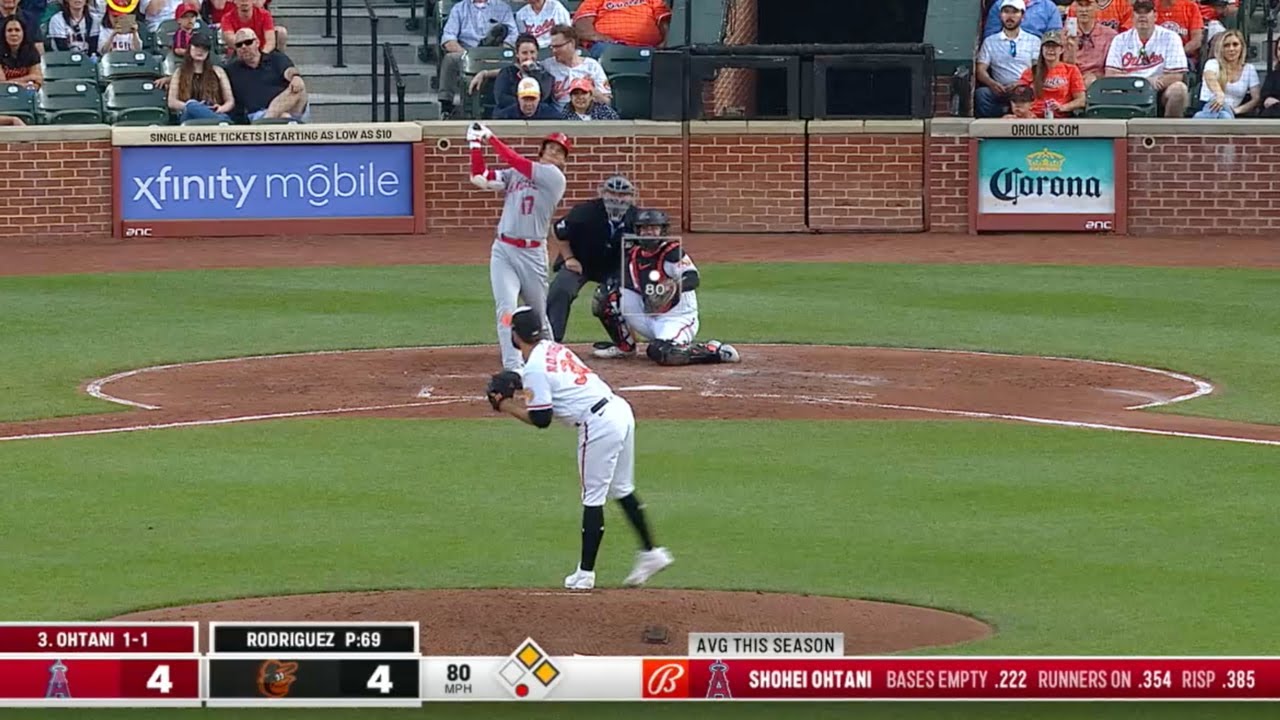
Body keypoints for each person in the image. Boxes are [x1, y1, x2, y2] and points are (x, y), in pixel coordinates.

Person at [488, 305, 674, 591]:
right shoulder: (551, 348)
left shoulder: (534, 367)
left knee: (593, 497)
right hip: (619, 410)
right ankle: (652, 553)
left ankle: (585, 574)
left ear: (516, 335)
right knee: (621, 488)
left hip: (599, 424)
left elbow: (541, 419)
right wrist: (522, 386)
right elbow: (552, 382)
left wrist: (506, 406)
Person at [467, 122, 569, 373]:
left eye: (559, 151)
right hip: (503, 249)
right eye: (550, 148)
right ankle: (513, 367)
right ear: (542, 150)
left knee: (538, 315)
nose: (553, 152)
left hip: (532, 254)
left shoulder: (554, 178)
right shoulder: (517, 174)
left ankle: (553, 361)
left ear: (563, 160)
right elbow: (480, 177)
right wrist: (474, 145)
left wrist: (490, 138)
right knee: (506, 310)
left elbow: (513, 158)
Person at [592, 209, 741, 366]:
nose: (649, 232)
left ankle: (714, 351)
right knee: (605, 296)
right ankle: (625, 347)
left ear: (662, 230)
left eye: (654, 228)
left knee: (663, 352)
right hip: (647, 313)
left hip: (676, 318)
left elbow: (692, 278)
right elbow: (621, 283)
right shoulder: (633, 254)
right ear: (637, 231)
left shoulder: (672, 252)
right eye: (644, 228)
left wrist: (674, 286)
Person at [546, 174, 637, 344]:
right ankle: (552, 341)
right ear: (602, 193)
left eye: (623, 194)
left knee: (616, 298)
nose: (617, 199)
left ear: (632, 196)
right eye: (612, 193)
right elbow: (558, 230)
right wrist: (569, 258)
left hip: (614, 268)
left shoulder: (637, 218)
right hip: (581, 262)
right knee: (560, 289)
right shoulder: (584, 212)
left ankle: (625, 343)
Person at [1104, 0, 1188, 118]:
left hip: (1159, 91)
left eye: (1147, 12)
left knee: (1179, 90)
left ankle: (1169, 128)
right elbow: (1110, 75)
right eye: (1138, 12)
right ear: (1132, 17)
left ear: (1155, 16)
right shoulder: (1120, 40)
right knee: (1110, 91)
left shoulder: (1171, 37)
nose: (1142, 16)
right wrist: (1145, 82)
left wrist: (1153, 84)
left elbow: (1176, 76)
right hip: (1128, 90)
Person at [438, 0, 517, 117]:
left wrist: (499, 52)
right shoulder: (459, 9)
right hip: (467, 53)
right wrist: (469, 55)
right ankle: (446, 106)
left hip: (495, 54)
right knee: (450, 59)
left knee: (504, 41)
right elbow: (448, 40)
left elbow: (513, 36)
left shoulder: (503, 8)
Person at [223, 27, 307, 122]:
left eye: (248, 42)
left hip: (288, 109)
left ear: (257, 43)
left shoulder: (275, 58)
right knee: (284, 117)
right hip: (256, 114)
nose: (244, 47)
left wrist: (295, 77)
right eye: (239, 45)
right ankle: (269, 120)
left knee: (299, 87)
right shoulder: (231, 69)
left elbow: (289, 70)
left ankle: (266, 121)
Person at [467, 33, 554, 116]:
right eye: (524, 53)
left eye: (532, 52)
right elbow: (501, 99)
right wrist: (524, 105)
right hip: (511, 116)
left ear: (537, 53)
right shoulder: (507, 73)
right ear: (517, 54)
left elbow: (544, 96)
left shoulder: (544, 74)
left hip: (538, 118)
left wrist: (533, 71)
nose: (529, 56)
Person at [167, 31, 234, 122]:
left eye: (204, 48)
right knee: (192, 105)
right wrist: (193, 106)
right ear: (190, 48)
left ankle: (217, 118)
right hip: (189, 115)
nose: (200, 51)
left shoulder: (218, 71)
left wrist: (221, 108)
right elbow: (172, 102)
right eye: (196, 46)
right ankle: (221, 121)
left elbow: (230, 101)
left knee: (198, 107)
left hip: (214, 111)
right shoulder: (179, 72)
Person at [1016, 30, 1086, 117]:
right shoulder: (1031, 71)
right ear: (1042, 49)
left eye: (1054, 46)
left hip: (1061, 118)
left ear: (1061, 50)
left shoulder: (1071, 70)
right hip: (1034, 117)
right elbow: (1019, 96)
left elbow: (1081, 100)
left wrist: (1063, 107)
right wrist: (1027, 113)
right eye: (1047, 46)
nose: (1050, 50)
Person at [542, 24, 611, 110]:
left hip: (588, 115)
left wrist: (590, 90)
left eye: (558, 46)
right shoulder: (547, 65)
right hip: (559, 115)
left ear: (572, 43)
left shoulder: (592, 66)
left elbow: (607, 102)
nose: (554, 51)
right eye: (552, 47)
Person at [1193, 29, 1259, 118]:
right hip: (1209, 105)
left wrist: (1237, 110)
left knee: (1224, 115)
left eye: (1235, 44)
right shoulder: (1212, 63)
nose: (1231, 49)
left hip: (1231, 111)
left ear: (1242, 47)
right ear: (1221, 48)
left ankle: (1198, 120)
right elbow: (1210, 78)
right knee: (1224, 115)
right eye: (1226, 45)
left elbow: (1256, 98)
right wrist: (1219, 94)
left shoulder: (1249, 69)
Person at [572, 0, 670, 58]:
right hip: (609, 47)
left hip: (650, 48)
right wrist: (602, 38)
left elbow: (665, 22)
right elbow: (582, 26)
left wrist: (666, 42)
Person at [1062, 0, 1118, 87]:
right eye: (1080, 5)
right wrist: (1070, 51)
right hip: (1072, 81)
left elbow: (1113, 70)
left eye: (1088, 5)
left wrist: (1097, 77)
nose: (1084, 10)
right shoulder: (1065, 35)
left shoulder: (1110, 35)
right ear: (1075, 8)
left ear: (1097, 7)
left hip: (1100, 83)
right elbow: (1063, 69)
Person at [492, 75, 561, 118]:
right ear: (518, 98)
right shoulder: (504, 117)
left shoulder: (553, 116)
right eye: (525, 99)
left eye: (532, 99)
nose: (529, 104)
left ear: (539, 98)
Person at [0, 16, 41, 89]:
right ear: (4, 34)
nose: (13, 34)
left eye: (17, 30)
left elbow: (37, 80)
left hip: (26, 94)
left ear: (23, 33)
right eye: (9, 30)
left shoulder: (32, 51)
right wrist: (28, 78)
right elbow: (1, 85)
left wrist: (9, 82)